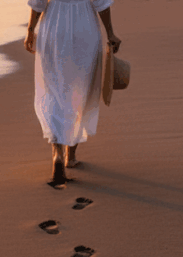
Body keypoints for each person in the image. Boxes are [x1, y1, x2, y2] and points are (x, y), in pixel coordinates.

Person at [24, 0, 121, 188]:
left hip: (54, 25)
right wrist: (110, 33)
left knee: (53, 90)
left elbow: (38, 2)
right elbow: (101, 3)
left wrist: (30, 30)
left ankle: (57, 153)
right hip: (84, 27)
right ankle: (71, 155)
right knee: (80, 87)